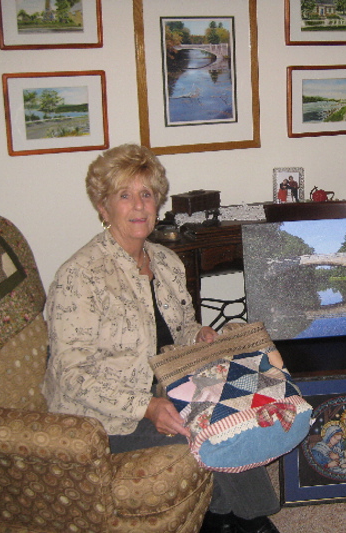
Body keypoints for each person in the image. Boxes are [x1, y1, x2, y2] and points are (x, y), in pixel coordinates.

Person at [43, 144, 282, 533]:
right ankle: (253, 522)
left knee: (239, 401)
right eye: (124, 195)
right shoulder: (80, 276)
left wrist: (200, 336)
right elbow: (72, 374)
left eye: (146, 194)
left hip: (169, 385)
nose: (138, 206)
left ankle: (221, 518)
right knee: (210, 433)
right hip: (101, 418)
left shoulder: (167, 262)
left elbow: (181, 326)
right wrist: (147, 407)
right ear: (103, 208)